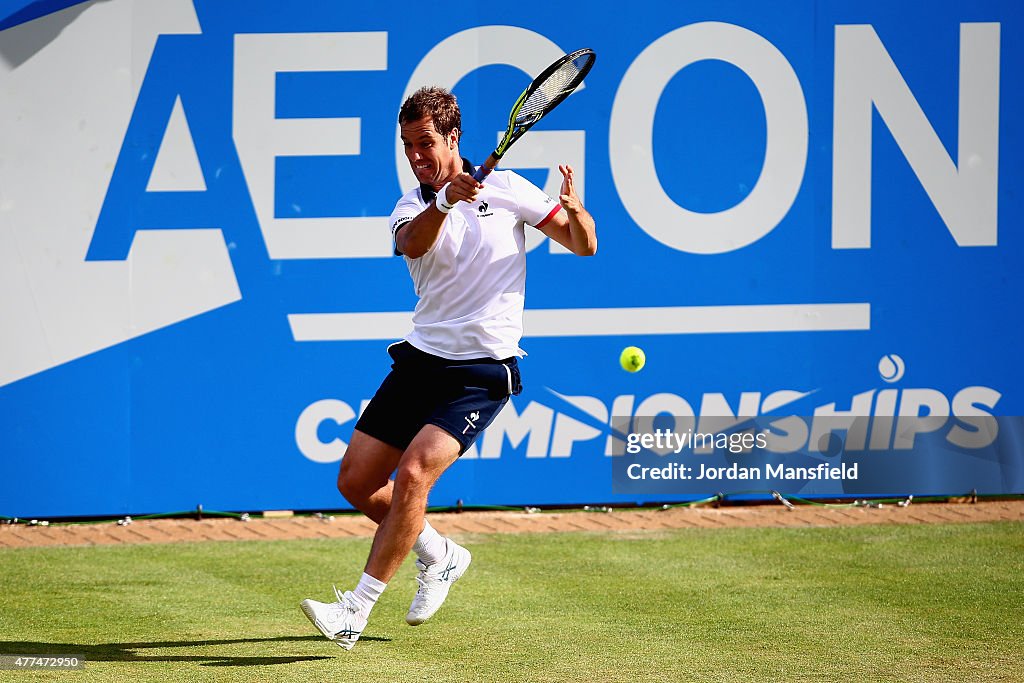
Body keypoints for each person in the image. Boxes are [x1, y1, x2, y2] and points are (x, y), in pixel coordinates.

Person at [300, 86, 597, 650]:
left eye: (425, 143)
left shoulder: (509, 190)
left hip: (480, 373)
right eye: (408, 145)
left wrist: (574, 207)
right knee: (357, 482)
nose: (415, 155)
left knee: (413, 476)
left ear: (453, 137)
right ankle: (439, 554)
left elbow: (584, 245)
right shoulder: (411, 206)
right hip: (420, 363)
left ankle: (354, 612)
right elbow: (413, 244)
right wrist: (445, 201)